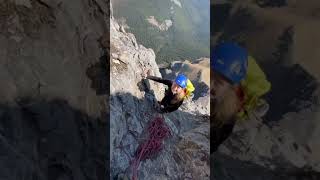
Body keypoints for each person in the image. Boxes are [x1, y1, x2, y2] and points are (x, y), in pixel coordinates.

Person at [211, 42, 271, 153]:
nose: (211, 84)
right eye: (210, 76)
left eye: (218, 82)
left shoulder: (225, 121)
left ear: (232, 86)